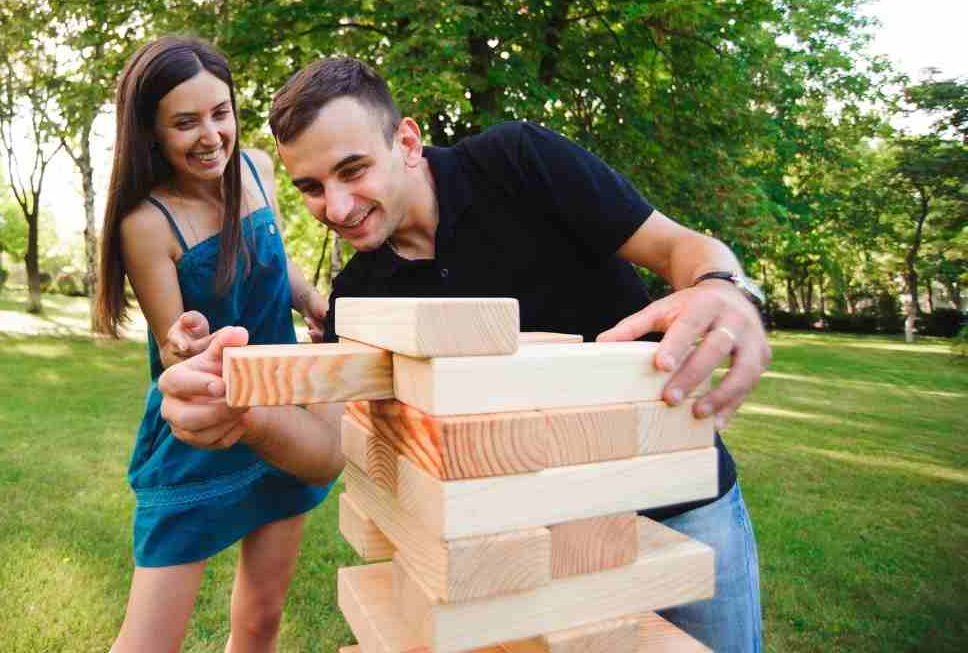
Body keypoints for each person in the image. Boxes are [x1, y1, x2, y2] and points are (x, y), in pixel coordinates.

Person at [167, 57, 770, 650]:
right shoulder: (357, 294)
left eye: (353, 171)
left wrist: (720, 286)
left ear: (406, 141)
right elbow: (327, 452)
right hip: (519, 546)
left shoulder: (519, 160)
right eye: (312, 189)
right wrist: (242, 410)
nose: (338, 208)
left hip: (678, 507)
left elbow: (681, 249)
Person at [93, 36, 343, 653]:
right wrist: (188, 341)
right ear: (151, 131)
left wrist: (311, 301)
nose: (210, 136)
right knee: (149, 643)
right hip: (202, 432)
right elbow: (173, 343)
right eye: (185, 122)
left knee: (260, 623)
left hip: (282, 419)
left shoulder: (257, 166)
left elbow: (271, 262)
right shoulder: (146, 222)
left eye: (220, 113)